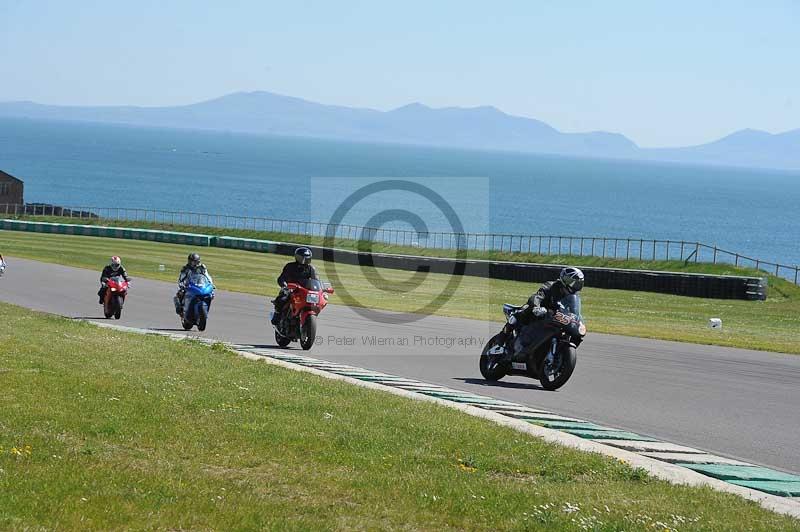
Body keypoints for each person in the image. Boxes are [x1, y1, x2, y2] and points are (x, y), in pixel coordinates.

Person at [488, 266, 585, 359]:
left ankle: (559, 354)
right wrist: (536, 307)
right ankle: (499, 343)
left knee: (576, 332)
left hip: (554, 318)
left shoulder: (573, 297)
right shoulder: (551, 285)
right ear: (566, 280)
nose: (576, 286)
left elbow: (575, 312)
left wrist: (577, 321)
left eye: (578, 284)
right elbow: (537, 297)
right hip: (538, 313)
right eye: (574, 283)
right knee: (522, 312)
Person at [271, 247, 318, 326]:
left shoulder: (311, 269)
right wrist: (284, 285)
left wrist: (321, 289)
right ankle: (277, 315)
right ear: (297, 257)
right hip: (290, 290)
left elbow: (316, 280)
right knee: (282, 299)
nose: (303, 260)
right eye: (301, 258)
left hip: (304, 291)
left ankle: (306, 320)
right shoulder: (290, 266)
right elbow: (282, 278)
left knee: (314, 302)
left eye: (306, 258)